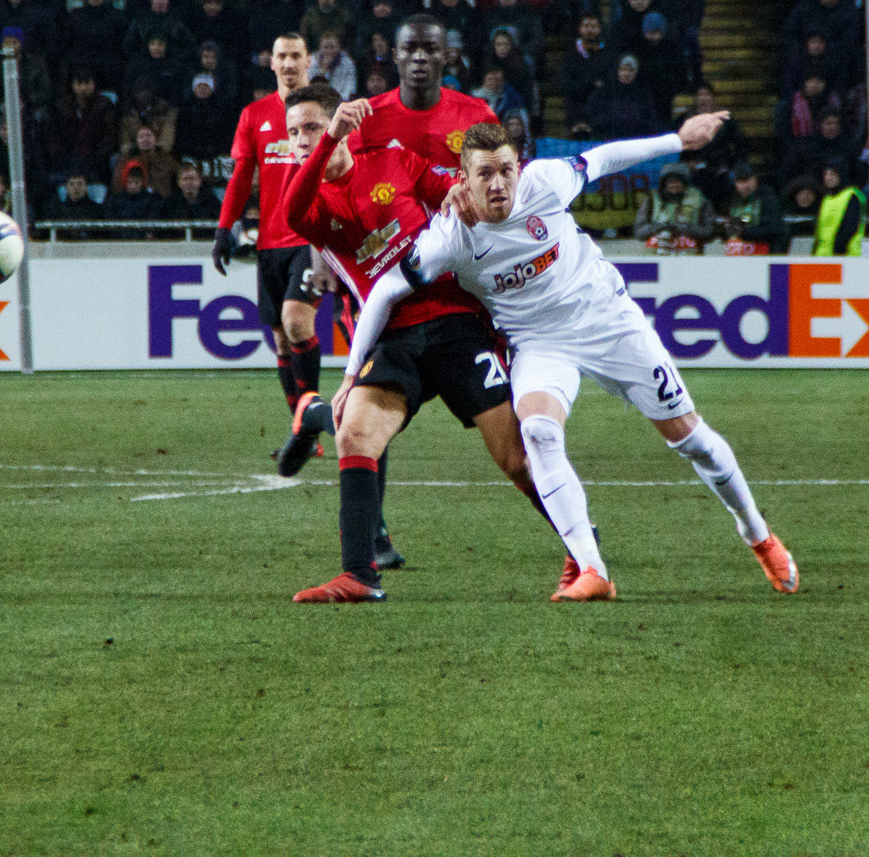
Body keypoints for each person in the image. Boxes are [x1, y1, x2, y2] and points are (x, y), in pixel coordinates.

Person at [339, 115, 799, 599]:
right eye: (484, 174)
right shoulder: (451, 235)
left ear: (520, 168)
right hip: (539, 342)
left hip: (607, 320)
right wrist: (351, 375)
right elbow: (387, 289)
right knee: (537, 430)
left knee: (689, 437)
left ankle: (758, 535)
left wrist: (677, 141)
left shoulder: (546, 181)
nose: (498, 184)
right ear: (463, 180)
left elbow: (605, 158)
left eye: (506, 170)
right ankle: (592, 570)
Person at [280, 88, 558, 604]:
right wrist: (328, 142)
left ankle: (582, 547)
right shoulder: (313, 205)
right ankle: (359, 575)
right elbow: (290, 209)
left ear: (344, 124)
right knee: (356, 437)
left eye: (313, 127)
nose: (301, 140)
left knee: (518, 459)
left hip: (455, 322)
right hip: (391, 336)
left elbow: (447, 188)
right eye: (294, 132)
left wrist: (455, 191)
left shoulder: (391, 160)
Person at [212, 33, 327, 433]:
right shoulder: (254, 115)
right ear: (272, 63)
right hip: (269, 240)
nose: (290, 63)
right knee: (280, 341)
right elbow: (242, 177)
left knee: (296, 322)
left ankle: (311, 420)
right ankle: (302, 430)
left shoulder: (325, 110)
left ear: (308, 62)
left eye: (297, 55)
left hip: (311, 238)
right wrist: (223, 228)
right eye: (283, 56)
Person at [811, 161, 865, 256]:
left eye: (832, 174)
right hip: (823, 256)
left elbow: (850, 227)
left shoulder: (852, 195)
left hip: (846, 256)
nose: (828, 178)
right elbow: (819, 231)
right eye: (826, 174)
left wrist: (838, 252)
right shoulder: (826, 199)